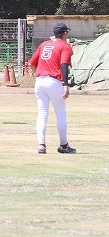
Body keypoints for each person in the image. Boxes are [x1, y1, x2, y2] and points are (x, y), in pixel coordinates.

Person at [28, 22, 76, 154]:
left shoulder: (44, 44)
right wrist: (66, 84)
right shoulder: (65, 45)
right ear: (64, 32)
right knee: (60, 113)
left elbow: (31, 64)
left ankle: (41, 145)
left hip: (40, 81)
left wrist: (40, 73)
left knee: (42, 114)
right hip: (54, 81)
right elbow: (64, 65)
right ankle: (64, 145)